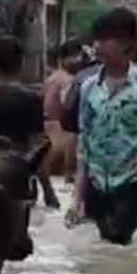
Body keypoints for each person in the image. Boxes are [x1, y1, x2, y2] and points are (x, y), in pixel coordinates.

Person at [67, 8, 137, 246]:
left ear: (126, 43)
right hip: (98, 186)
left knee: (123, 249)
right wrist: (77, 198)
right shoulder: (88, 87)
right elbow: (84, 147)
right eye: (97, 38)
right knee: (105, 255)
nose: (97, 45)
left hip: (133, 184)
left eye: (106, 39)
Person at [0, 34, 60, 208]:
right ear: (22, 64)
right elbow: (38, 148)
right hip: (19, 177)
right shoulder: (30, 99)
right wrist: (49, 192)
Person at [42, 38, 84, 181]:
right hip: (61, 140)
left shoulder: (51, 79)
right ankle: (69, 171)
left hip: (46, 140)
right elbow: (68, 107)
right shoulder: (69, 81)